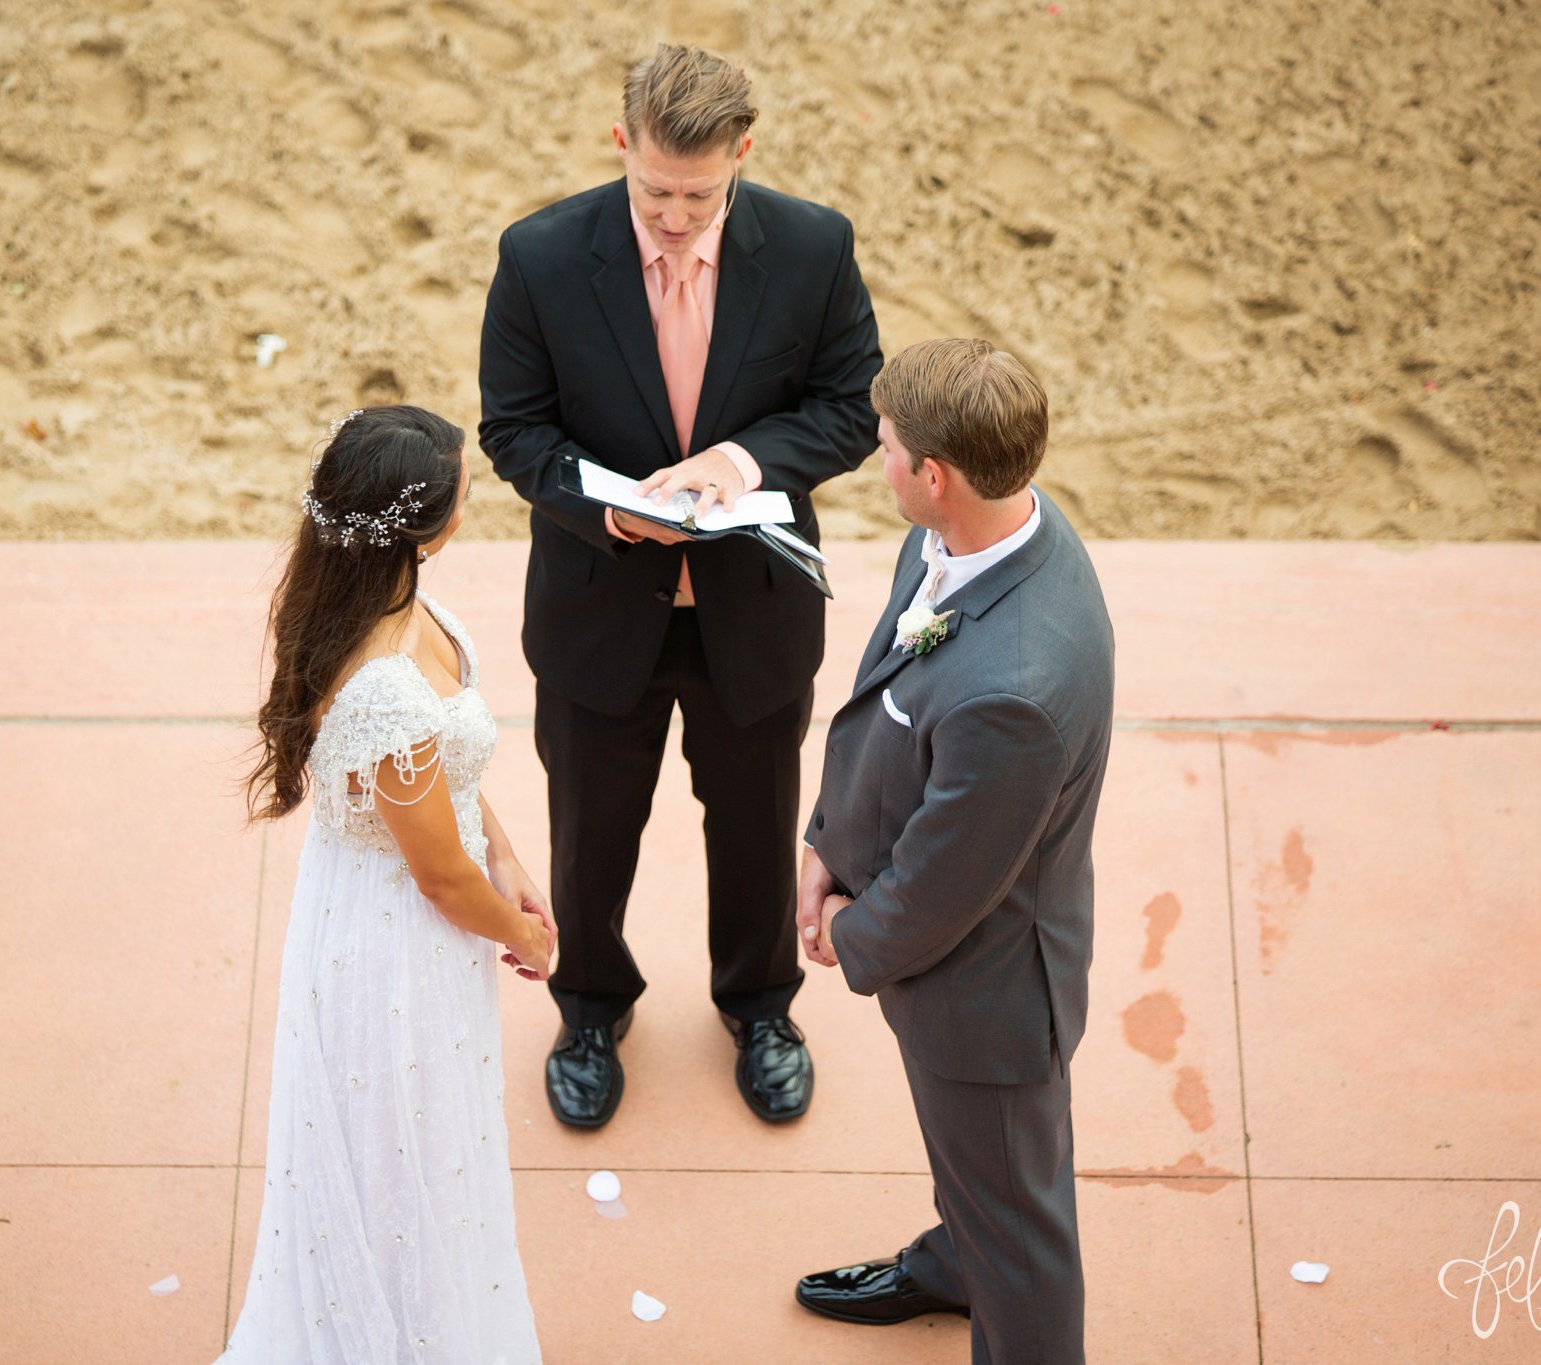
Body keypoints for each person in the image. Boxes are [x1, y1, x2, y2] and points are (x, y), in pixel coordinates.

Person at [478, 43, 883, 1130]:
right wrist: (598, 505)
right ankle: (589, 1007)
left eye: (696, 194)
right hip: (597, 610)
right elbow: (512, 431)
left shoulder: (812, 247)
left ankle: (759, 1008)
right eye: (653, 187)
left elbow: (851, 405)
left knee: (754, 828)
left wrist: (742, 464)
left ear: (741, 156)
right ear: (622, 146)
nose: (670, 213)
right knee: (591, 830)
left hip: (751, 618)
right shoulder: (540, 256)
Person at [793, 340, 1114, 1365]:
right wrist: (824, 845)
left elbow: (948, 881)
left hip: (987, 998)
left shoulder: (1012, 691)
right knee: (975, 1171)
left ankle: (990, 1282)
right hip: (947, 963)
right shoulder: (983, 533)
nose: (874, 462)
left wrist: (849, 932)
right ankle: (951, 1266)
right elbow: (885, 707)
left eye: (886, 450)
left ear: (934, 475)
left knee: (1020, 1226)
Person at [222, 404, 554, 1363]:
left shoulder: (393, 603)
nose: (466, 506)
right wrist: (524, 935)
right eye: (460, 495)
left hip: (417, 885)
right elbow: (440, 880)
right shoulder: (382, 687)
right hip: (396, 939)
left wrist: (509, 856)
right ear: (422, 527)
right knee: (403, 1156)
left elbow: (449, 787)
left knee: (418, 1152)